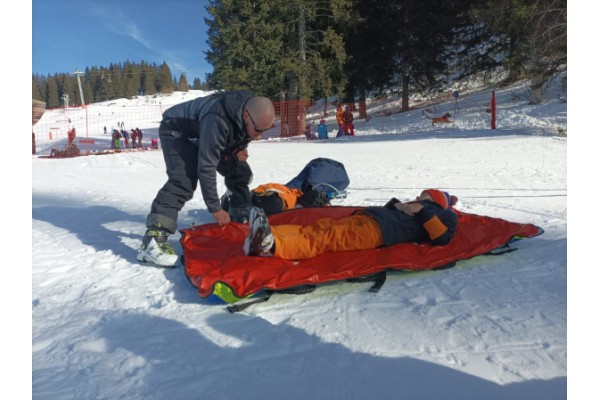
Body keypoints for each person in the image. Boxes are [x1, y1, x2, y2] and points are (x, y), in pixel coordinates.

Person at [137, 90, 276, 267]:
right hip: (178, 130)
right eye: (258, 130)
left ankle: (240, 215)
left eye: (265, 130)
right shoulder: (217, 119)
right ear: (246, 115)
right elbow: (206, 167)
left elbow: (242, 131)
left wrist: (240, 146)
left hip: (203, 131)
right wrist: (215, 208)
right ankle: (153, 241)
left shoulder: (248, 110)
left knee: (239, 170)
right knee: (183, 181)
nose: (259, 135)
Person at [244, 189, 458, 260]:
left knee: (325, 239)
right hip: (366, 219)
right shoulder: (415, 207)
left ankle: (270, 246)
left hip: (377, 232)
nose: (418, 198)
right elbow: (391, 213)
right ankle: (267, 232)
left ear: (436, 202)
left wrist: (423, 211)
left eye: (425, 196)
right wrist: (397, 205)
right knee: (318, 227)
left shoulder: (444, 215)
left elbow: (442, 239)